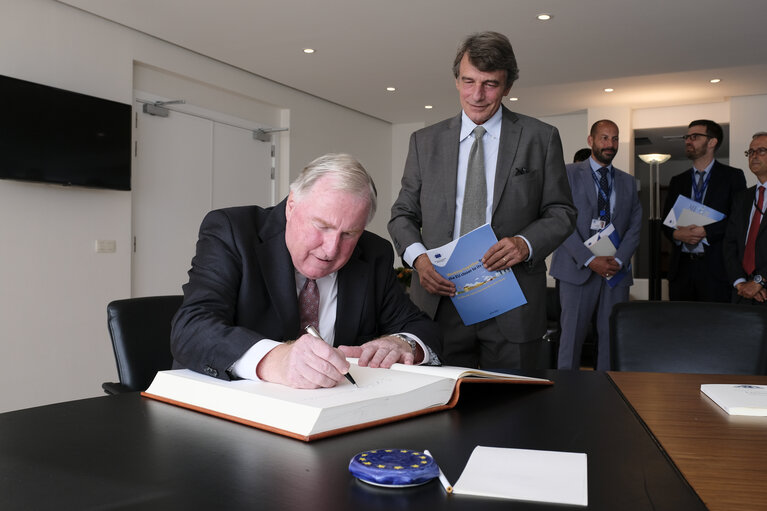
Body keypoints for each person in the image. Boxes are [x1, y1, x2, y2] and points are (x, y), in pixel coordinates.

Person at [171, 153, 442, 389]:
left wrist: (402, 344)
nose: (331, 249)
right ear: (291, 206)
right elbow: (192, 328)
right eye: (321, 226)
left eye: (349, 234)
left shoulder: (373, 253)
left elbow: (422, 329)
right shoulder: (233, 231)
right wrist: (275, 359)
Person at [388, 31, 576, 369]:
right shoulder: (423, 142)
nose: (476, 95)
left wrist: (524, 243)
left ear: (507, 87)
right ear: (456, 80)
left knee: (513, 412)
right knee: (437, 414)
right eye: (468, 81)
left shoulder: (541, 138)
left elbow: (561, 212)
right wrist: (419, 261)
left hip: (512, 305)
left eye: (490, 84)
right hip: (438, 302)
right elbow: (402, 215)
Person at [550, 120, 642, 370]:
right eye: (604, 138)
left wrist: (619, 261)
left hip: (615, 271)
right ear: (591, 140)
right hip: (576, 268)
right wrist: (591, 260)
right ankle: (566, 393)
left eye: (614, 139)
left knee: (611, 339)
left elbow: (635, 226)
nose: (610, 144)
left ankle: (607, 393)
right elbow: (560, 222)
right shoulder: (566, 174)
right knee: (571, 338)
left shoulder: (628, 182)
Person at [662, 120, 746, 302]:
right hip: (681, 270)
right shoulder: (678, 180)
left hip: (716, 270)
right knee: (681, 326)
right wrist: (677, 234)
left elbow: (738, 220)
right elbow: (666, 222)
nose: (687, 141)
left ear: (712, 142)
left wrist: (706, 231)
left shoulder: (733, 177)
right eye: (687, 137)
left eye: (694, 137)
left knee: (714, 327)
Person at [723, 132, 767, 304]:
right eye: (751, 152)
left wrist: (760, 281)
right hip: (742, 294)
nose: (754, 156)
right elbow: (730, 244)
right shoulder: (742, 198)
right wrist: (740, 283)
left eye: (761, 150)